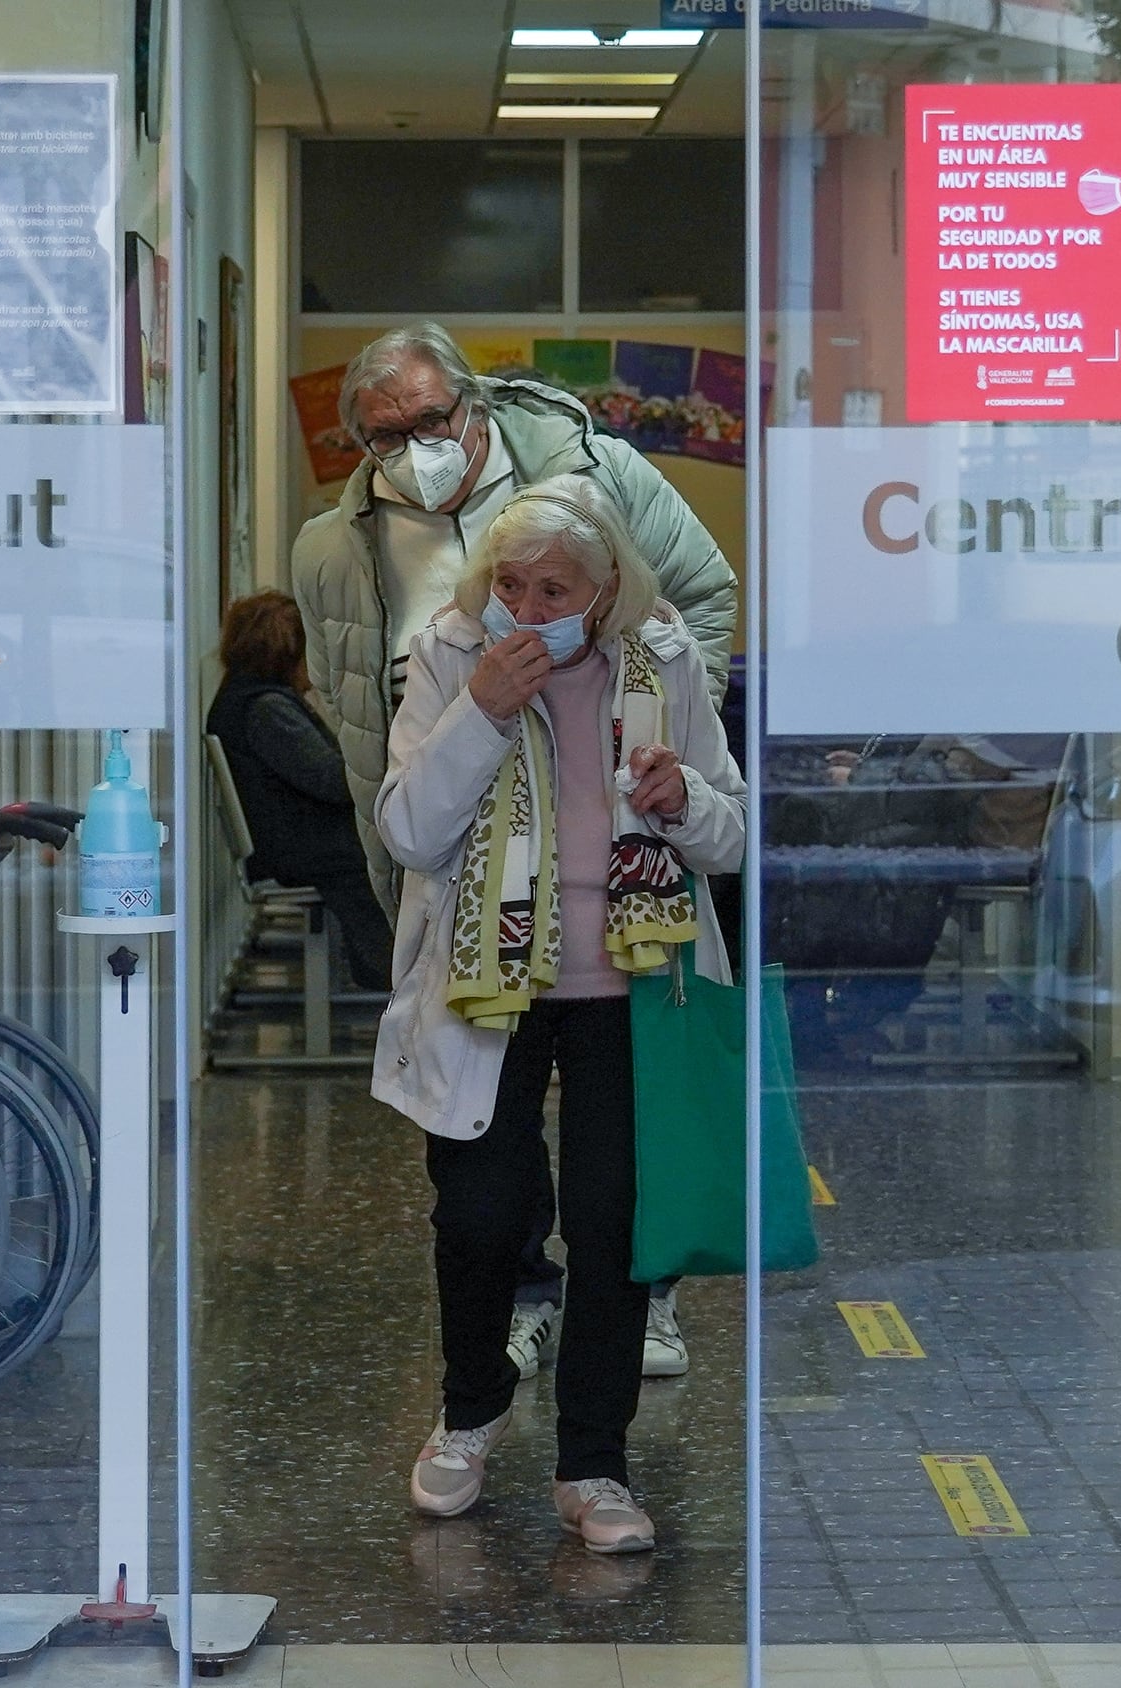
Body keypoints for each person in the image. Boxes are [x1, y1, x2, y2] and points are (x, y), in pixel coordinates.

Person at [294, 322, 733, 1380]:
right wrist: (411, 826)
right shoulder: (332, 549)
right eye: (384, 435)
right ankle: (527, 1299)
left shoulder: (597, 470)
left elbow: (703, 597)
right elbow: (357, 718)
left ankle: (637, 1303)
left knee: (621, 1148)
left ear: (473, 405)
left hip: (613, 860)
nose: (415, 448)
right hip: (456, 842)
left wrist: (658, 732)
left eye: (431, 420)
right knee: (485, 1125)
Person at [370, 475, 745, 1553]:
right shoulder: (450, 656)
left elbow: (731, 833)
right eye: (511, 585)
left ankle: (594, 1462)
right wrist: (483, 711)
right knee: (480, 1218)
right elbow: (408, 830)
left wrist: (685, 800)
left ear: (608, 588)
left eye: (555, 590)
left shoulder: (665, 660)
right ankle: (471, 1412)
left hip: (631, 984)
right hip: (485, 986)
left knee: (615, 1224)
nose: (528, 609)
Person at [207, 591, 393, 992]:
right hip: (304, 847)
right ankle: (395, 972)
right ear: (287, 653)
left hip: (291, 839)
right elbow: (330, 780)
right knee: (396, 850)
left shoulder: (249, 698)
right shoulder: (267, 709)